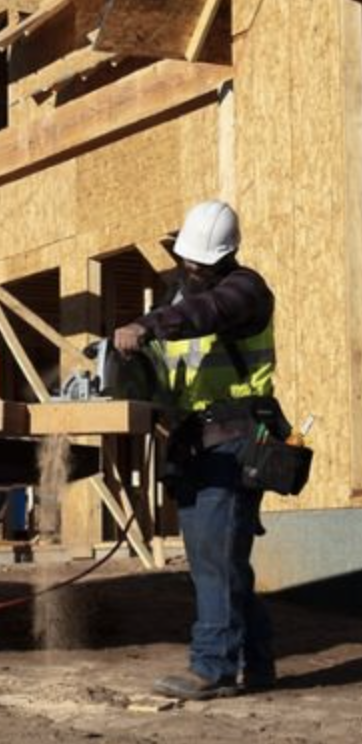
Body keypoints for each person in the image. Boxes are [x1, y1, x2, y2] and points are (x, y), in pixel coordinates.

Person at [112, 200, 277, 701]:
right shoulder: (179, 297)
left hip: (234, 441)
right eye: (187, 261)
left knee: (213, 558)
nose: (192, 270)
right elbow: (168, 341)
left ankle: (213, 667)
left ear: (226, 256)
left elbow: (207, 313)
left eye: (201, 263)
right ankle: (256, 661)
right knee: (224, 560)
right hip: (196, 444)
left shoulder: (245, 291)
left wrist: (149, 326)